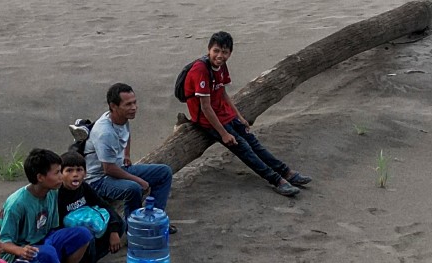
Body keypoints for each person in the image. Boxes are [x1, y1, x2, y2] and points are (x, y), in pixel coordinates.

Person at [181, 30, 312, 197]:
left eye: (225, 52)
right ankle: (276, 180)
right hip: (208, 120)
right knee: (243, 148)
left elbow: (222, 93)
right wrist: (223, 134)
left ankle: (286, 172)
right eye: (216, 51)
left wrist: (239, 117)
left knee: (253, 142)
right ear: (209, 50)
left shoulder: (221, 67)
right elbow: (206, 108)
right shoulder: (200, 70)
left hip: (225, 114)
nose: (220, 55)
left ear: (230, 53)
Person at [0, 149, 95, 263]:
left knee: (83, 234)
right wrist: (21, 250)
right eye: (57, 173)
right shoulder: (16, 204)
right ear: (40, 177)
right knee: (47, 252)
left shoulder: (52, 192)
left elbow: (52, 228)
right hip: (21, 251)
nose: (61, 176)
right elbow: (3, 243)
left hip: (43, 240)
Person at [84, 83, 174, 216]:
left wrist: (126, 155)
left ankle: (154, 218)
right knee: (134, 188)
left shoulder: (121, 118)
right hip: (99, 180)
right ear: (113, 106)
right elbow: (108, 169)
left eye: (134, 103)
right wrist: (139, 180)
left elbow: (126, 133)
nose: (134, 108)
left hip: (118, 167)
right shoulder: (105, 133)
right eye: (128, 104)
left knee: (164, 172)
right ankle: (132, 225)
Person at [57, 150, 124, 263]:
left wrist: (114, 231)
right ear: (60, 174)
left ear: (85, 173)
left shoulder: (84, 188)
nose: (75, 175)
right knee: (86, 233)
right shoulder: (57, 195)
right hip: (70, 239)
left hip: (86, 233)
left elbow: (104, 206)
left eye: (79, 170)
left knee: (120, 223)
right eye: (69, 170)